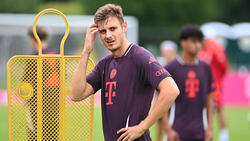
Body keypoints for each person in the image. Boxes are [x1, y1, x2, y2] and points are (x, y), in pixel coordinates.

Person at [70, 4, 179, 141]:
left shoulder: (140, 56)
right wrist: (86, 51)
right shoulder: (104, 64)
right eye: (103, 31)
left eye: (112, 29)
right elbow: (76, 94)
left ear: (124, 27)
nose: (108, 35)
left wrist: (142, 127)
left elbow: (171, 90)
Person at [162, 25, 214, 141]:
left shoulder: (205, 68)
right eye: (194, 41)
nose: (198, 45)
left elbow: (209, 99)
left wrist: (210, 129)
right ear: (183, 42)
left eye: (200, 42)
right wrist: (168, 130)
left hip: (201, 132)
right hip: (176, 132)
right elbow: (161, 100)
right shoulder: (171, 68)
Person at [24, 26, 59, 140]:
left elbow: (26, 83)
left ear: (34, 39)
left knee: (36, 137)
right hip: (55, 107)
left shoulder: (33, 58)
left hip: (37, 107)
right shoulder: (58, 55)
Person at [199, 28, 229, 141]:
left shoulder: (214, 47)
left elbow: (224, 66)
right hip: (208, 84)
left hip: (213, 85)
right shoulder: (205, 48)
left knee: (215, 110)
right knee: (213, 110)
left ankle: (223, 135)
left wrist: (217, 79)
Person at [155, 40, 178, 141]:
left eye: (168, 50)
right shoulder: (159, 63)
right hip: (161, 99)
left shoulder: (177, 65)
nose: (166, 53)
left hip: (174, 101)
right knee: (160, 130)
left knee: (172, 130)